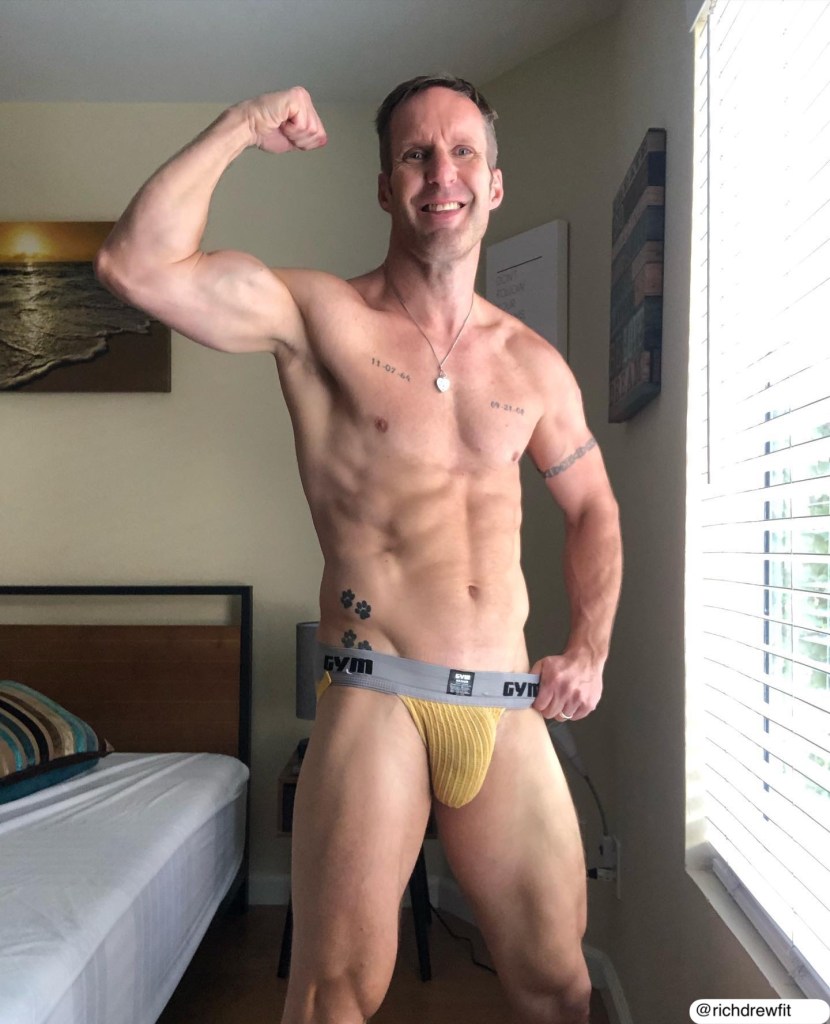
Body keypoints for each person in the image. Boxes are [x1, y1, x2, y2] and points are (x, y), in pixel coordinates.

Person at [96, 74, 622, 1024]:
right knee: (332, 996)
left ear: (495, 183)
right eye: (416, 155)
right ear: (385, 186)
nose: (442, 174)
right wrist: (242, 124)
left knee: (562, 989)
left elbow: (593, 508)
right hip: (379, 694)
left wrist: (589, 647)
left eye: (463, 152)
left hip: (506, 704)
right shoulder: (320, 318)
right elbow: (134, 267)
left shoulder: (534, 365)